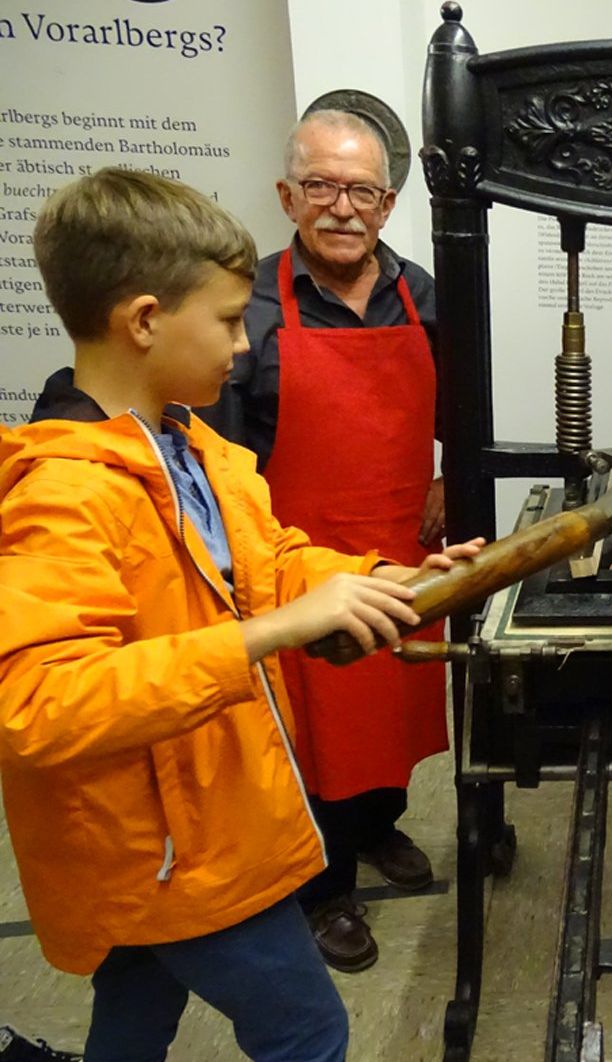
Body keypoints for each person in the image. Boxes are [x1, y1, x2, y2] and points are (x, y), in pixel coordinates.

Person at [0, 168, 481, 1061]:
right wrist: (269, 635)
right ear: (144, 321)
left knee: (139, 1008)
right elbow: (35, 704)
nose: (242, 343)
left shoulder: (195, 449)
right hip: (167, 847)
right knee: (307, 1029)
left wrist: (389, 579)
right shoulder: (65, 491)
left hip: (197, 819)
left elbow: (272, 562)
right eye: (226, 322)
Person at [199, 109, 447, 973]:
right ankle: (324, 886)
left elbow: (457, 403)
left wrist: (445, 479)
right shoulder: (253, 308)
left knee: (395, 709)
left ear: (387, 204)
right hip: (298, 562)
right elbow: (221, 461)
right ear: (287, 195)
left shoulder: (421, 291)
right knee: (313, 735)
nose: (342, 208)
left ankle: (376, 826)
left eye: (363, 192)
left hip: (402, 551)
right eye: (321, 187)